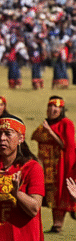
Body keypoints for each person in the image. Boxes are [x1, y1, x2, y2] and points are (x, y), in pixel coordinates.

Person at [31, 96, 76, 232]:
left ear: (61, 109)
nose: (52, 110)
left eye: (56, 107)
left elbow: (66, 145)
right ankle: (57, 224)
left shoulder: (66, 123)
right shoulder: (45, 124)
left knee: (62, 192)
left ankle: (60, 222)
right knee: (51, 194)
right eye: (50, 107)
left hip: (62, 165)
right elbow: (38, 141)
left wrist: (50, 131)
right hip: (48, 166)